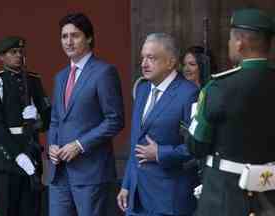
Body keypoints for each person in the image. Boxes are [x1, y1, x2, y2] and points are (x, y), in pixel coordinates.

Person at [188, 8, 275, 216]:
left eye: (230, 39)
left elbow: (196, 145)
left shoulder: (218, 88)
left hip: (224, 195)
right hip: (269, 194)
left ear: (239, 43)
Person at [48, 12, 124, 216]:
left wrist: (80, 145)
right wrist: (52, 145)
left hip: (91, 172)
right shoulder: (60, 77)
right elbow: (56, 120)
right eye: (64, 36)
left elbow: (115, 120)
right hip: (59, 172)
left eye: (75, 35)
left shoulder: (104, 72)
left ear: (89, 37)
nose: (69, 41)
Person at [117, 33, 199, 216]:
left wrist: (160, 153)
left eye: (151, 58)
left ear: (170, 62)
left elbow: (196, 147)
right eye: (143, 58)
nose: (144, 63)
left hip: (168, 198)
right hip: (137, 198)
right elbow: (135, 142)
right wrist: (127, 184)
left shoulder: (189, 93)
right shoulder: (142, 89)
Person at [0, 36, 51, 216]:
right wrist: (18, 155)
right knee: (6, 210)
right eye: (13, 52)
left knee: (31, 209)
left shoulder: (33, 80)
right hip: (5, 158)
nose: (18, 55)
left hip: (31, 154)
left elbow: (48, 120)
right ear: (1, 57)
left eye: (21, 52)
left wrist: (37, 118)